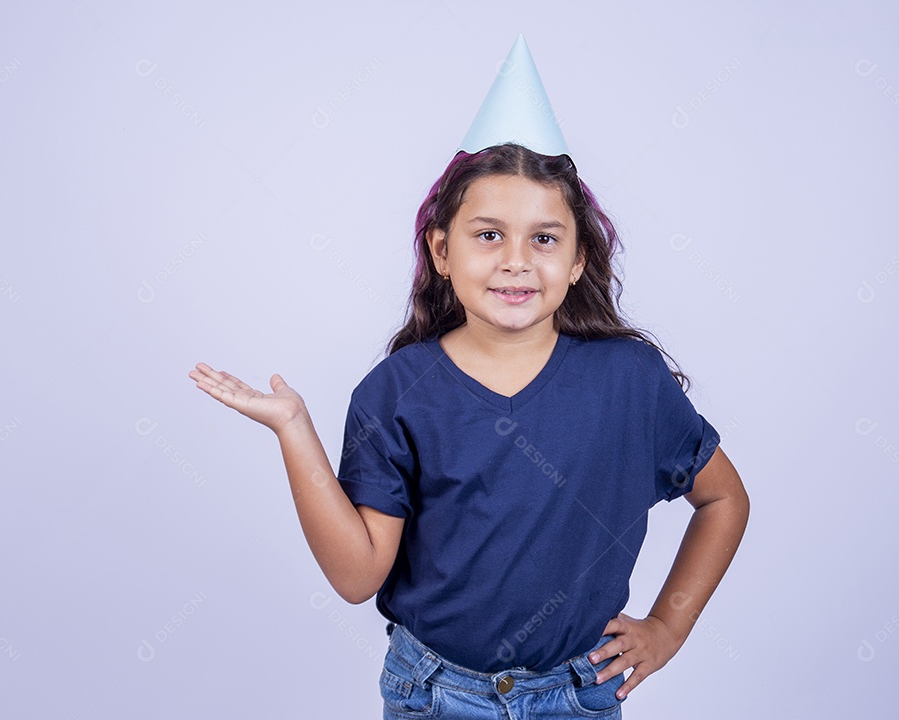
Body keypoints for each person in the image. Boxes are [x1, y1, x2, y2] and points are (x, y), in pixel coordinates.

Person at [190, 36, 748, 720]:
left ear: (578, 260)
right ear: (442, 249)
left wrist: (667, 629)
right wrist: (294, 429)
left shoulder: (628, 380)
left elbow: (723, 501)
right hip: (434, 696)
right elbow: (357, 574)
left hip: (576, 698)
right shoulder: (397, 392)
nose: (516, 260)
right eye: (489, 235)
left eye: (544, 238)